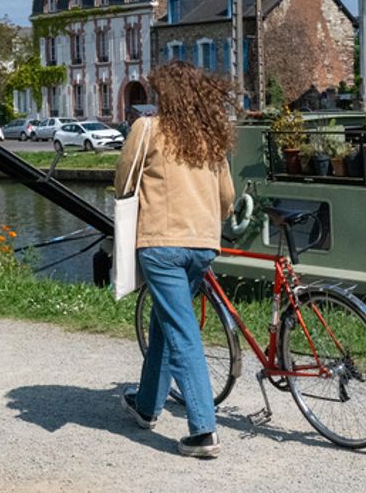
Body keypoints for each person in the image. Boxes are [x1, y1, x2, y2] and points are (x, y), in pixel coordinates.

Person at [116, 62, 235, 458]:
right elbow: (226, 199)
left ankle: (203, 431)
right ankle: (147, 405)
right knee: (166, 323)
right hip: (203, 244)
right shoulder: (210, 138)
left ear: (164, 94)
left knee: (181, 332)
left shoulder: (146, 129)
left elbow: (124, 181)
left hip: (161, 245)